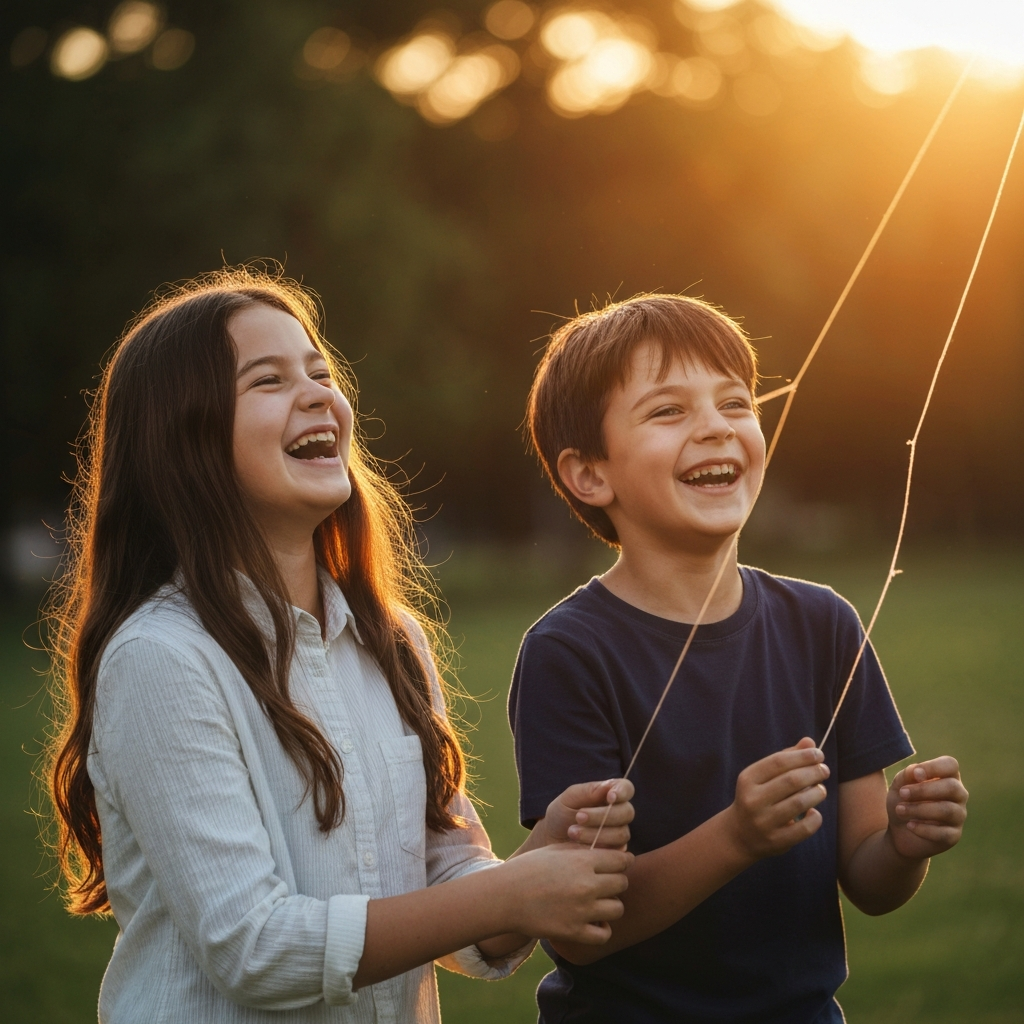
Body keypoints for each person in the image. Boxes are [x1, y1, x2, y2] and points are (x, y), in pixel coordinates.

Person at [44, 267, 636, 1024]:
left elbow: (445, 877)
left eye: (321, 372)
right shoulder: (161, 658)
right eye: (269, 380)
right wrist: (509, 892)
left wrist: (532, 865)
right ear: (182, 438)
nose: (319, 393)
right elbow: (253, 947)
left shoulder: (395, 642)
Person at [509, 294, 970, 1023]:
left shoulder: (824, 624)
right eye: (669, 411)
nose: (717, 427)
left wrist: (906, 846)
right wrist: (736, 837)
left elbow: (869, 879)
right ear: (590, 475)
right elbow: (582, 931)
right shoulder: (568, 652)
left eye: (735, 402)